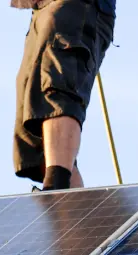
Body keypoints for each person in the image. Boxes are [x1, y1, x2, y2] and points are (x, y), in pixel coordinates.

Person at [12, 0, 116, 191]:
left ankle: (56, 186)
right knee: (33, 114)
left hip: (74, 5)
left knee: (56, 85)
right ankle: (71, 209)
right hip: (40, 9)